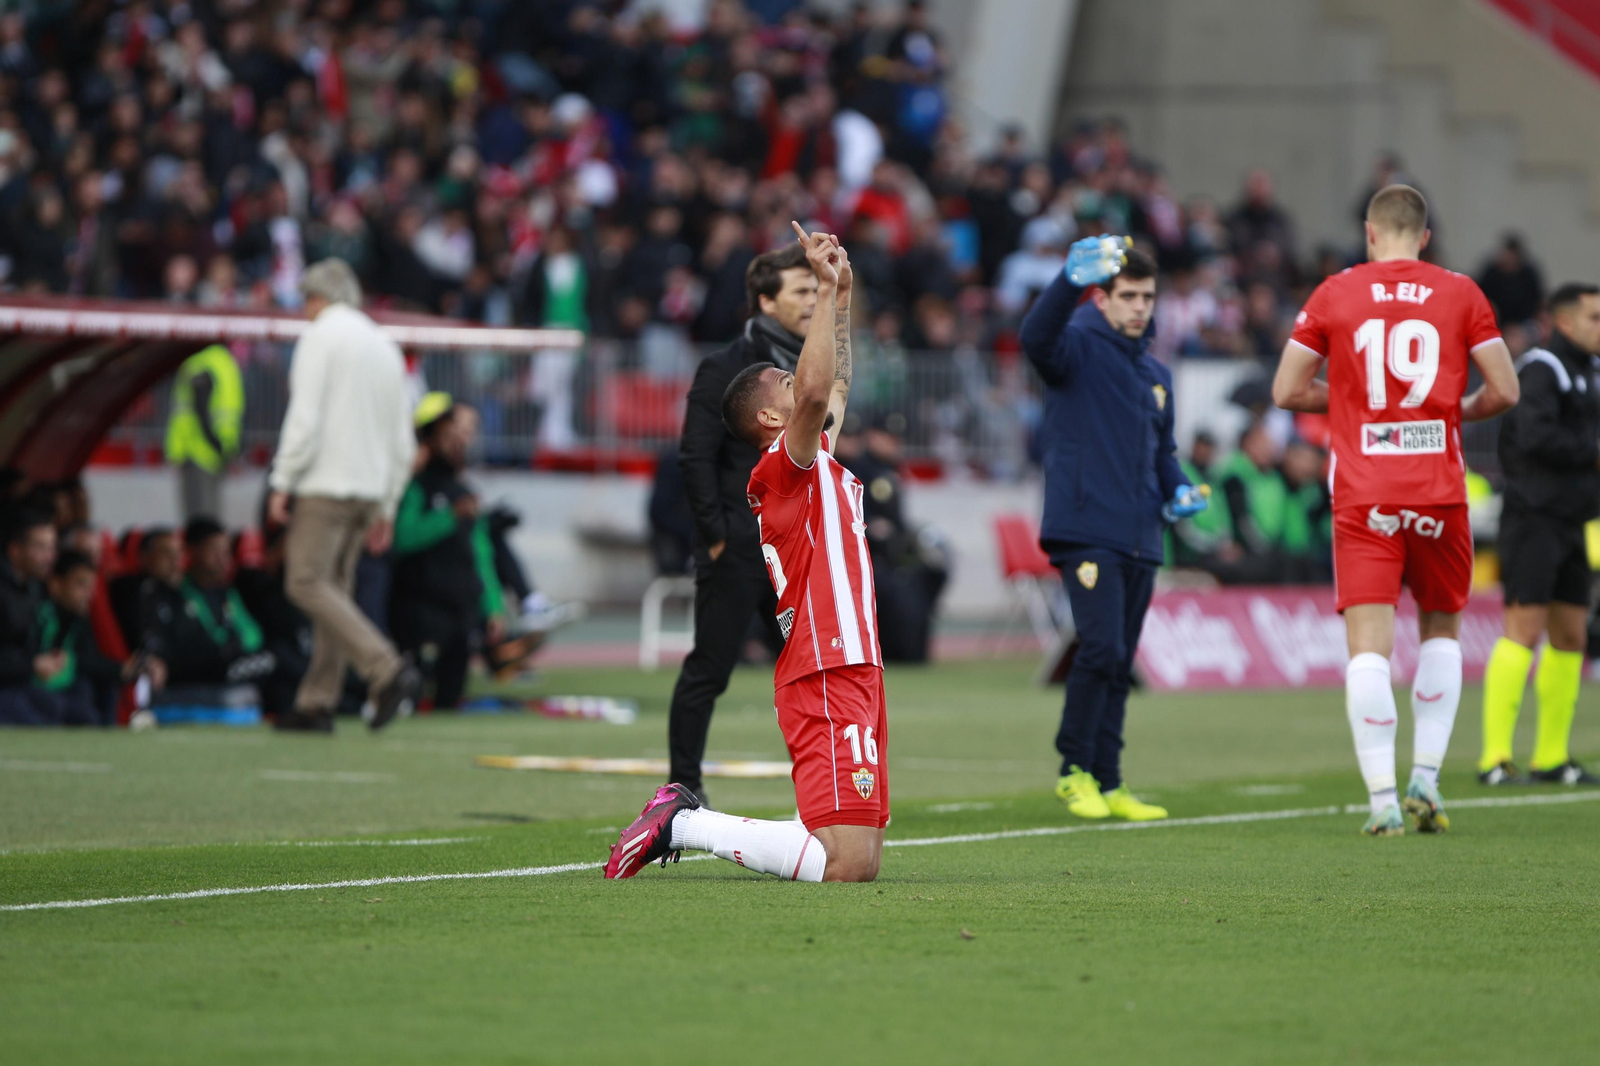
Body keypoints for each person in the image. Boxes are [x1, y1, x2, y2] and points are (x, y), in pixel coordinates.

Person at [606, 223, 885, 884]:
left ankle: (755, 821)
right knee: (846, 866)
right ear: (770, 420)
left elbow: (833, 386)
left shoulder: (812, 458)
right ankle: (684, 819)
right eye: (789, 389)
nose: (808, 392)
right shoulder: (781, 468)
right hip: (824, 660)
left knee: (857, 859)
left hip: (853, 657)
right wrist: (822, 285)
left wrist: (838, 295)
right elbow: (817, 393)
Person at [1272, 184, 1520, 835]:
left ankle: (1381, 797)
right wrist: (1455, 411)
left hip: (1365, 490)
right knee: (1441, 633)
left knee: (1368, 650)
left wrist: (1355, 402)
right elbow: (1506, 388)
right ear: (1426, 236)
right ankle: (1427, 781)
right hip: (1439, 489)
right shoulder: (1462, 291)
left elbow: (1286, 389)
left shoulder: (1335, 291)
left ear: (1370, 232)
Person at [1019, 237, 1206, 822]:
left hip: (1143, 534)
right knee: (1098, 649)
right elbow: (1034, 339)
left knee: (1119, 659)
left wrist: (1177, 488)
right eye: (1128, 295)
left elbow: (1163, 451)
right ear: (1101, 298)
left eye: (1147, 297)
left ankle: (1110, 778)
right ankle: (1074, 771)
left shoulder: (1155, 373)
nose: (1139, 307)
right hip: (1087, 528)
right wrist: (1066, 282)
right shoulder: (1074, 346)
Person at [666, 241, 814, 805]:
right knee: (710, 668)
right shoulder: (722, 367)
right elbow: (695, 458)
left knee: (812, 668)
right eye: (800, 291)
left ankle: (823, 783)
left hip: (796, 549)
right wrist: (718, 537)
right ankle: (684, 784)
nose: (810, 301)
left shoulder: (810, 367)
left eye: (813, 291)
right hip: (742, 547)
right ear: (765, 300)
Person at [266, 258, 420, 733]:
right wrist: (388, 503)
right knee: (334, 588)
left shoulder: (321, 337)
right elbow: (402, 438)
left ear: (316, 297)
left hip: (326, 484)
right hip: (369, 489)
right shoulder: (384, 344)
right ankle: (318, 702)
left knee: (305, 582)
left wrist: (282, 480)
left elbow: (304, 418)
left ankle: (384, 667)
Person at [1480, 282, 1600, 786]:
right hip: (1533, 518)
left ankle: (1551, 757)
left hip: (1574, 520)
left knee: (1571, 634)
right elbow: (1533, 436)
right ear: (1565, 321)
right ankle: (1494, 758)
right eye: (1594, 317)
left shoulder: (1590, 372)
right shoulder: (1539, 369)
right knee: (1523, 629)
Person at [390, 393, 501, 710]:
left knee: (449, 702)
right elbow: (403, 538)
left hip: (460, 615)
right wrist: (449, 517)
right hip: (419, 610)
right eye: (450, 437)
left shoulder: (466, 493)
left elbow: (481, 555)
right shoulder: (415, 488)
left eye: (462, 438)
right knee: (410, 699)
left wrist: (493, 607)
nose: (458, 445)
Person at [144, 517, 271, 690]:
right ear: (193, 551)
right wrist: (226, 648)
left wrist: (238, 644)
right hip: (200, 675)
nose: (223, 559)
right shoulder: (180, 593)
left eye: (226, 552)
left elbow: (254, 635)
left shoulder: (227, 592)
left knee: (275, 658)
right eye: (214, 551)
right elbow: (194, 646)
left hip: (233, 663)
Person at [164, 343, 244, 522]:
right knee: (206, 522)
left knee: (201, 523)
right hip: (206, 451)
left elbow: (201, 411)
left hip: (199, 452)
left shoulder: (198, 363)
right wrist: (225, 450)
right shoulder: (224, 363)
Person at [0, 511, 59, 725]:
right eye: (40, 547)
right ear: (15, 550)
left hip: (23, 685)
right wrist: (31, 664)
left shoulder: (36, 588)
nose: (49, 556)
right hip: (6, 688)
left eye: (52, 547)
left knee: (69, 710)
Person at [108, 527, 181, 650]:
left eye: (177, 553)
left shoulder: (177, 591)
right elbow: (145, 642)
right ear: (144, 556)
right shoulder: (131, 590)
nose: (175, 561)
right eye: (166, 553)